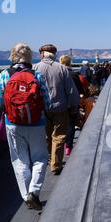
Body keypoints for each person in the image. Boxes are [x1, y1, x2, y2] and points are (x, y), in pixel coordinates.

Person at [0, 43, 52, 211]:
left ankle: (26, 195)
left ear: (13, 56)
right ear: (30, 57)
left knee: (20, 160)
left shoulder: (5, 75)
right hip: (36, 123)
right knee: (40, 157)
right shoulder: (37, 75)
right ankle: (34, 192)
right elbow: (47, 103)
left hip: (13, 124)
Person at [34, 44, 80, 175]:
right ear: (54, 54)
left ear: (42, 54)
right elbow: (71, 91)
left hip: (42, 109)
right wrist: (74, 107)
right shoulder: (62, 68)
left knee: (46, 136)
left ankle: (49, 158)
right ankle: (56, 164)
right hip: (60, 108)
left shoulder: (35, 68)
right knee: (59, 136)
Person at [59, 55, 84, 156]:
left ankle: (61, 145)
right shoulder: (74, 74)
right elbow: (80, 90)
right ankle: (68, 147)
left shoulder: (58, 73)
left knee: (60, 125)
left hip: (59, 103)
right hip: (72, 103)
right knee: (71, 125)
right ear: (69, 62)